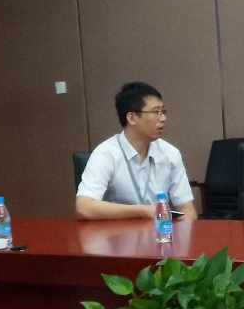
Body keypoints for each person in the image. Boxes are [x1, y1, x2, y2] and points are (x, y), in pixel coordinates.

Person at [75, 82, 198, 221]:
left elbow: (187, 210)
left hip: (160, 232)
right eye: (155, 112)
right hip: (116, 232)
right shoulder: (106, 154)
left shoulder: (170, 154)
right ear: (132, 118)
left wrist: (177, 232)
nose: (163, 118)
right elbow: (84, 207)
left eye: (163, 112)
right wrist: (142, 211)